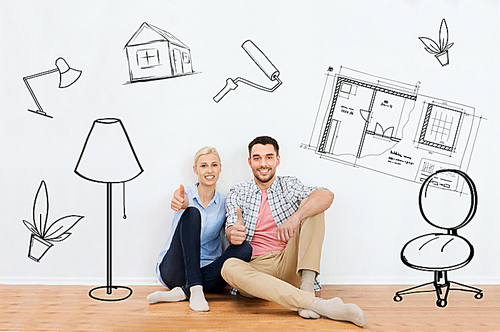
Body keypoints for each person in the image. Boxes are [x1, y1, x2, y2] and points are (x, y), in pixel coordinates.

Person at [221, 136, 366, 327]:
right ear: (250, 162)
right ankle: (319, 304)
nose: (263, 164)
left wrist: (295, 217)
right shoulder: (238, 192)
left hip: (288, 261)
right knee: (228, 267)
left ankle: (307, 286)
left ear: (277, 160)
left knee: (313, 205)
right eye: (257, 158)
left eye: (269, 157)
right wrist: (234, 233)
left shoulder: (289, 185)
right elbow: (231, 228)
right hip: (257, 269)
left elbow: (326, 195)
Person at [148, 147, 252, 312]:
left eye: (214, 165)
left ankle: (183, 292)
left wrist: (235, 231)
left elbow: (231, 230)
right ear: (195, 170)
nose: (209, 170)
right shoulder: (185, 193)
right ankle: (195, 289)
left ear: (220, 168)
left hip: (208, 271)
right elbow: (180, 198)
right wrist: (180, 203)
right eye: (203, 166)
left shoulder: (225, 203)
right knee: (192, 212)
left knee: (245, 248)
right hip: (175, 270)